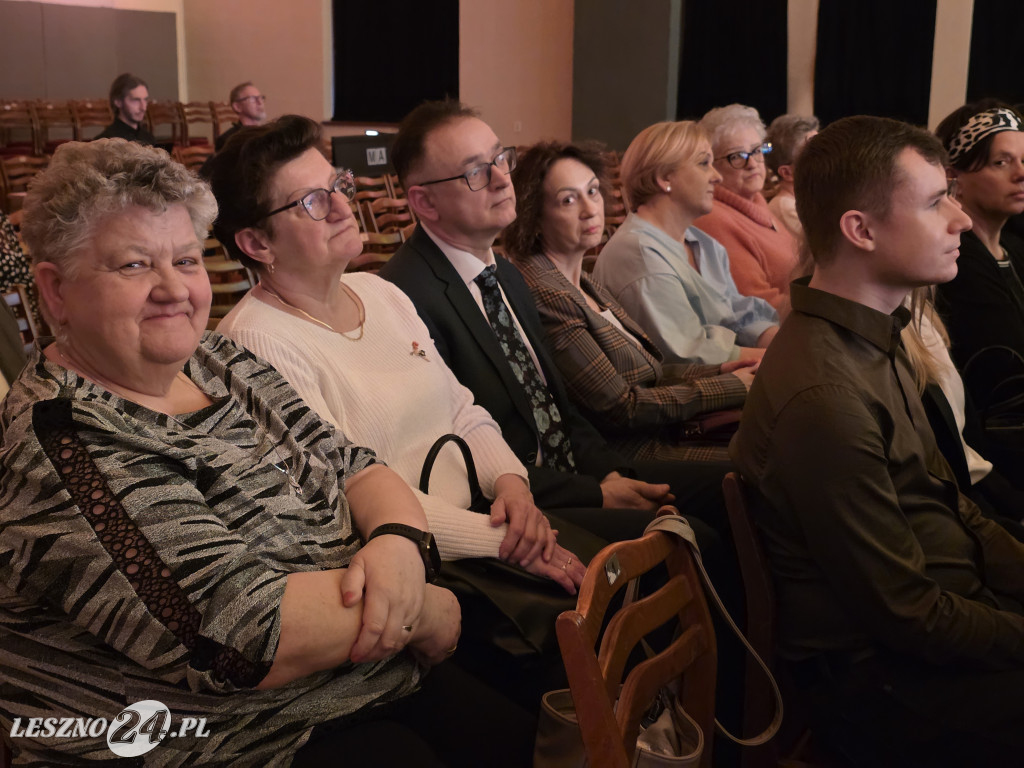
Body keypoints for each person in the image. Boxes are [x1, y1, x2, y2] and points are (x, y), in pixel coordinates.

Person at [0, 138, 536, 767]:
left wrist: (398, 542)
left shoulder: (216, 361)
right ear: (56, 291)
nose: (174, 289)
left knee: (517, 734)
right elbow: (244, 636)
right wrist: (421, 608)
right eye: (134, 266)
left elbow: (356, 466)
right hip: (223, 737)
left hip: (356, 676)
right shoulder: (64, 441)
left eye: (187, 260)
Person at [731, 115, 1024, 767]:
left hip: (944, 628)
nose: (959, 220)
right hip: (887, 687)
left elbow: (954, 508)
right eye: (932, 202)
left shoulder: (878, 335)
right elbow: (907, 614)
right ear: (859, 230)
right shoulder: (826, 396)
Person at [205, 115, 586, 593]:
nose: (346, 206)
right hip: (421, 567)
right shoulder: (255, 344)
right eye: (314, 201)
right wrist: (504, 542)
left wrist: (513, 486)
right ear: (257, 242)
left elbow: (461, 411)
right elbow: (346, 496)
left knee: (661, 552)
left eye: (337, 186)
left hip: (492, 524)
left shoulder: (379, 292)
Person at [378, 101, 739, 542]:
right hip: (512, 507)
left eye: (499, 158)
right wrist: (594, 492)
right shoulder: (404, 296)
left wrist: (609, 473)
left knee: (742, 487)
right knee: (695, 537)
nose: (500, 179)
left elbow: (557, 405)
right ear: (425, 202)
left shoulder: (504, 273)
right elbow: (459, 457)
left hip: (577, 472)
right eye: (475, 172)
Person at [504, 139, 754, 464]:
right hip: (631, 456)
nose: (590, 208)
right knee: (768, 467)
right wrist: (732, 386)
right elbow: (622, 408)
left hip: (665, 432)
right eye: (568, 200)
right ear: (533, 216)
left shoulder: (580, 278)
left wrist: (720, 371)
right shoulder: (547, 293)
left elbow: (648, 372)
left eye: (593, 191)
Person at [593, 120, 779, 366]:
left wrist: (784, 341)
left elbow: (738, 315)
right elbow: (687, 354)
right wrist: (783, 358)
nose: (716, 177)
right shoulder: (638, 252)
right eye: (704, 164)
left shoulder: (703, 243)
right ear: (664, 177)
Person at [933, 102, 1024, 470]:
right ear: (953, 178)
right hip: (999, 455)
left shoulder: (1014, 249)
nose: (1020, 173)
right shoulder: (957, 264)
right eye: (1000, 163)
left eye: (1023, 159)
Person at [693, 104, 798, 314]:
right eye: (737, 156)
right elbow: (760, 306)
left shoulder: (757, 202)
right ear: (710, 165)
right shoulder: (713, 219)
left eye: (757, 151)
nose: (752, 164)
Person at [765, 113, 819, 240]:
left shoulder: (806, 201)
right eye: (813, 153)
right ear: (787, 173)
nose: (825, 156)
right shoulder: (786, 208)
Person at [95, 72, 156, 145]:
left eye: (145, 100)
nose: (143, 107)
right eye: (136, 100)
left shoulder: (149, 138)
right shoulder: (106, 142)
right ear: (118, 102)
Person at [215, 82, 267, 151]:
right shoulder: (228, 140)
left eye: (261, 98)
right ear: (237, 107)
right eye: (252, 99)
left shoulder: (268, 134)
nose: (260, 103)